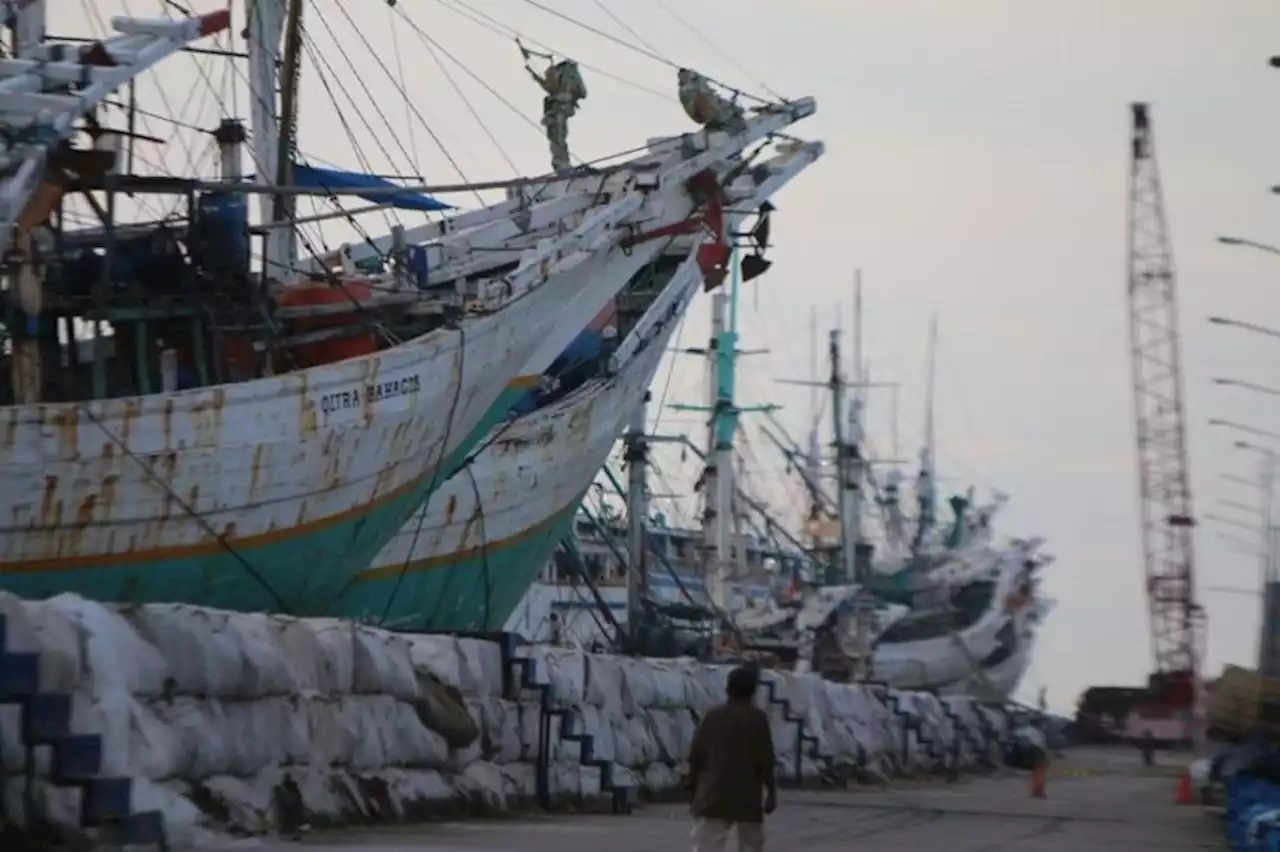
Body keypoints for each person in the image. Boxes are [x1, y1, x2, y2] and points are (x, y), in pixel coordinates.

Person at [686, 666, 776, 852]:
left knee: (706, 846)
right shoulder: (757, 719)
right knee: (751, 845)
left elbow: (696, 756)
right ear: (753, 691)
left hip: (712, 794)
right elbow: (766, 759)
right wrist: (772, 794)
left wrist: (692, 787)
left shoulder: (711, 717)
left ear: (727, 689)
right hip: (747, 795)